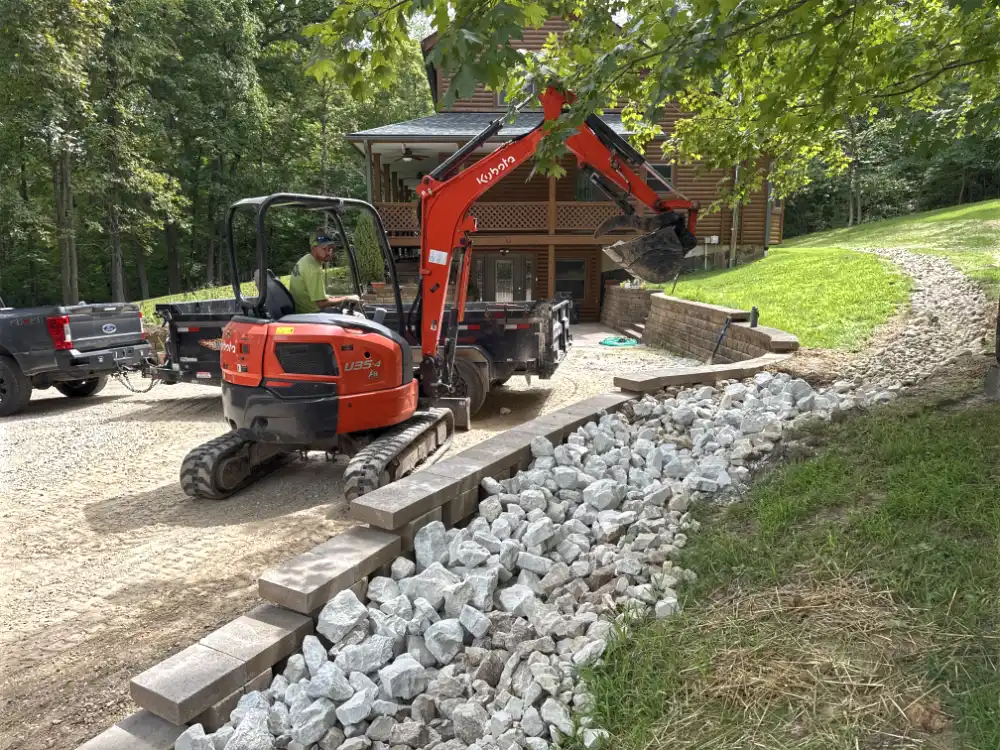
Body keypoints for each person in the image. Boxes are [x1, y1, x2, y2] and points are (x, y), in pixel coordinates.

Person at [289, 230, 360, 314]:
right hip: (311, 314)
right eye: (324, 249)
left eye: (330, 249)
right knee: (358, 317)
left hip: (302, 310)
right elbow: (321, 304)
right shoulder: (313, 269)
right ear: (314, 248)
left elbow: (317, 297)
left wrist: (337, 298)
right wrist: (346, 298)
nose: (328, 252)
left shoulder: (307, 259)